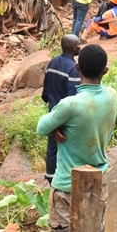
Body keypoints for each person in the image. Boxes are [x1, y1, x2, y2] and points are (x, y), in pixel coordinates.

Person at [37, 44, 117, 232]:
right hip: (96, 182)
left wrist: (57, 126)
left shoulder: (69, 105)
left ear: (76, 66)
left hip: (65, 186)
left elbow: (41, 127)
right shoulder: (112, 96)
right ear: (106, 70)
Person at [42, 34, 81, 183]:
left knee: (52, 147)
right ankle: (66, 181)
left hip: (53, 111)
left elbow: (45, 90)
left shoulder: (52, 63)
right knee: (66, 149)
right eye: (78, 45)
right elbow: (73, 97)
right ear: (73, 48)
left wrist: (50, 103)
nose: (80, 47)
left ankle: (51, 177)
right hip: (65, 116)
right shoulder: (73, 69)